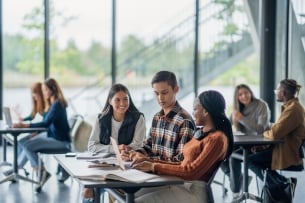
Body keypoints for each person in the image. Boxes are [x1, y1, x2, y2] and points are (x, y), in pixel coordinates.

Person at [131, 90, 234, 203]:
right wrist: (148, 161)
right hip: (180, 184)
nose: (192, 113)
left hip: (193, 191)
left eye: (195, 109)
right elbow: (182, 164)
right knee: (130, 197)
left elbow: (191, 171)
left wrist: (154, 166)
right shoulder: (201, 132)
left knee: (134, 201)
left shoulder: (217, 139)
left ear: (205, 111)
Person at [82, 83, 146, 203]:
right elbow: (92, 146)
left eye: (125, 99)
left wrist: (125, 150)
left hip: (127, 165)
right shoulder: (101, 119)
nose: (122, 103)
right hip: (104, 164)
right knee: (88, 192)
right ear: (110, 101)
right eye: (117, 100)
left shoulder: (138, 118)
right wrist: (115, 148)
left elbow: (139, 144)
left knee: (99, 189)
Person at [12, 78, 71, 191]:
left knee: (28, 145)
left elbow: (45, 123)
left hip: (61, 142)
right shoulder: (54, 103)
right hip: (53, 136)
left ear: (52, 89)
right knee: (24, 141)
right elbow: (47, 124)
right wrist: (34, 132)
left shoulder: (57, 105)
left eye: (45, 90)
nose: (43, 93)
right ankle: (16, 168)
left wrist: (24, 126)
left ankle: (41, 172)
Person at [123, 70, 195, 163]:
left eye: (164, 93)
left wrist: (148, 160)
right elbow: (148, 146)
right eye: (156, 93)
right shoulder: (157, 118)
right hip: (151, 172)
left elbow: (180, 160)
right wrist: (132, 153)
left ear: (176, 89)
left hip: (169, 176)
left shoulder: (184, 121)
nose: (160, 98)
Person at [248, 79, 305, 192]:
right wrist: (264, 147)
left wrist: (265, 133)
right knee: (252, 157)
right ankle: (281, 185)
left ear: (283, 92)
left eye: (277, 91)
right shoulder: (291, 107)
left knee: (249, 160)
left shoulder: (293, 109)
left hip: (286, 154)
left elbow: (274, 133)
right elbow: (279, 133)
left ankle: (282, 184)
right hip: (281, 149)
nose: (276, 93)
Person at [223, 84, 271, 198]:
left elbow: (261, 129)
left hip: (259, 144)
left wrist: (242, 119)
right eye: (240, 94)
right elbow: (227, 125)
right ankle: (239, 180)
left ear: (250, 92)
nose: (244, 96)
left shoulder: (261, 105)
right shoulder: (238, 109)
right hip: (243, 143)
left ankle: (235, 189)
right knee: (219, 151)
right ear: (237, 97)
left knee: (232, 156)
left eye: (246, 92)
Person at [3, 82, 47, 176]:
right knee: (21, 141)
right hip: (38, 130)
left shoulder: (46, 105)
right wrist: (22, 120)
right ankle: (16, 167)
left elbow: (46, 123)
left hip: (43, 132)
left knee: (26, 143)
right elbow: (32, 116)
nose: (33, 96)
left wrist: (36, 131)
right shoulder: (38, 104)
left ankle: (17, 167)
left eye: (35, 93)